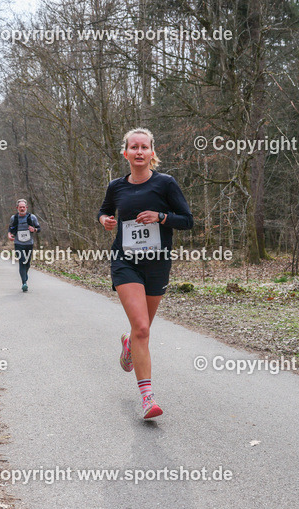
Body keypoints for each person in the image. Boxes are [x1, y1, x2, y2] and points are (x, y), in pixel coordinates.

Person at [98, 127, 193, 419]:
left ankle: (128, 345)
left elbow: (187, 220)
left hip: (157, 263)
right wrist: (105, 220)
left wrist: (160, 216)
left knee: (142, 331)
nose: (139, 152)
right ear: (125, 153)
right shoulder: (116, 186)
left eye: (144, 147)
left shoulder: (166, 184)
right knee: (142, 328)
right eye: (134, 147)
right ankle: (147, 398)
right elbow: (102, 210)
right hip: (125, 261)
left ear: (152, 153)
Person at [8, 199, 41, 292]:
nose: (22, 208)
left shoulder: (32, 217)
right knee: (22, 261)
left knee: (27, 263)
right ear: (17, 208)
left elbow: (39, 229)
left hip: (29, 244)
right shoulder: (14, 218)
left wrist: (34, 230)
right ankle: (24, 283)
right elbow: (10, 228)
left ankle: (25, 276)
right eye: (20, 207)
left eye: (23, 207)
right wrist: (9, 235)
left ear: (26, 207)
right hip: (18, 243)